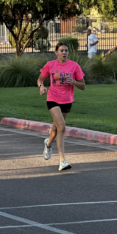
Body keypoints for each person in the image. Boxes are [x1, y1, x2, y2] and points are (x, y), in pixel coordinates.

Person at [37, 43, 85, 171]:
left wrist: (74, 82)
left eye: (66, 51)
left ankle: (48, 143)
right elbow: (40, 79)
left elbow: (83, 86)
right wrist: (41, 87)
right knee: (62, 127)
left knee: (56, 127)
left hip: (67, 100)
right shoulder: (50, 65)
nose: (64, 53)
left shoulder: (74, 66)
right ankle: (62, 160)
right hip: (52, 98)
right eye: (61, 51)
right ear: (56, 52)